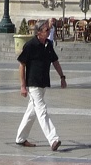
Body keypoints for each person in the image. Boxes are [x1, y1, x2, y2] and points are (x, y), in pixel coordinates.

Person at [15, 20, 66, 150]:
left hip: (43, 83)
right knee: (42, 111)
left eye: (49, 30)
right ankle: (53, 139)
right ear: (38, 33)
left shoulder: (48, 45)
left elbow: (55, 61)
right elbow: (22, 65)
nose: (49, 32)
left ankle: (20, 139)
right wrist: (23, 85)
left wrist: (62, 77)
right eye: (46, 30)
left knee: (31, 112)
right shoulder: (30, 45)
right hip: (33, 84)